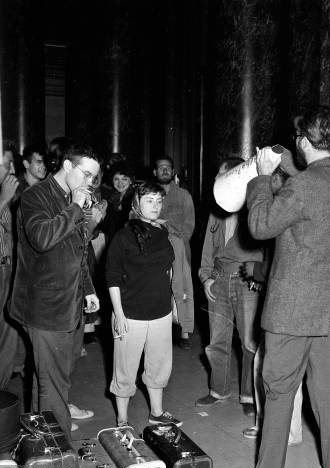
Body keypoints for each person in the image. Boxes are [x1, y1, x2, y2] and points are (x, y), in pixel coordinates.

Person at [232, 107, 330, 468]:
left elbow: (259, 226)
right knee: (329, 391)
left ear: (304, 141)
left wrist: (260, 179)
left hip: (292, 310)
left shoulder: (304, 187)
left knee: (278, 392)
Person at [10, 143, 101, 437]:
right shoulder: (34, 196)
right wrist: (76, 206)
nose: (90, 183)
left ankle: (42, 443)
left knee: (46, 378)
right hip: (44, 307)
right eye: (86, 174)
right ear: (66, 166)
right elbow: (43, 237)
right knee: (55, 384)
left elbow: (78, 249)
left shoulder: (70, 196)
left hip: (68, 301)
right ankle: (58, 452)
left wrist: (87, 288)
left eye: (94, 178)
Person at [106, 181, 181, 427]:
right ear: (136, 203)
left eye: (159, 201)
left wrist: (173, 305)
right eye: (149, 200)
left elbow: (167, 272)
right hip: (131, 314)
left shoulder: (161, 233)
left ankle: (157, 413)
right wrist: (119, 314)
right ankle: (123, 420)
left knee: (159, 367)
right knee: (125, 369)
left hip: (160, 313)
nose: (155, 206)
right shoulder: (123, 236)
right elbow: (112, 277)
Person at [241, 160, 304, 446]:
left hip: (287, 303)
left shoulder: (285, 208)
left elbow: (285, 260)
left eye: (270, 180)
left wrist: (256, 271)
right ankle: (278, 428)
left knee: (271, 367)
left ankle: (277, 430)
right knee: (282, 370)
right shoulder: (297, 204)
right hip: (292, 301)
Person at [196, 157, 263, 417]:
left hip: (248, 281)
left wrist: (261, 277)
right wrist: (206, 278)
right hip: (219, 280)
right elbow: (207, 249)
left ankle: (248, 394)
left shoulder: (256, 205)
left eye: (223, 177)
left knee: (248, 341)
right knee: (217, 341)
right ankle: (218, 390)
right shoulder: (218, 209)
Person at [153, 155, 195, 349]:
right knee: (160, 288)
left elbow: (189, 224)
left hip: (180, 249)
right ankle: (160, 333)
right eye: (161, 168)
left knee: (183, 289)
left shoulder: (184, 195)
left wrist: (178, 242)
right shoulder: (150, 194)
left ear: (173, 172)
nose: (164, 170)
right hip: (157, 250)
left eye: (168, 168)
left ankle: (184, 333)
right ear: (155, 172)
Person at [0, 142, 20, 391]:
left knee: (8, 333)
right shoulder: (4, 194)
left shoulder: (9, 193)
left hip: (7, 268)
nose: (12, 168)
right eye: (7, 164)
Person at [103, 161, 135, 243]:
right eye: (116, 179)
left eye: (124, 179)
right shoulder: (111, 198)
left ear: (131, 181)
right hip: (113, 242)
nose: (120, 183)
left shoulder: (135, 199)